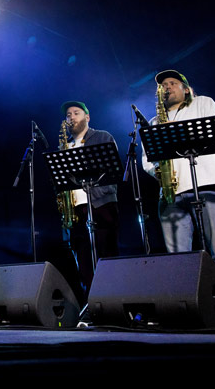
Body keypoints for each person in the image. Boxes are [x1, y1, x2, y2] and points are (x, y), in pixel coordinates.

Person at [141, 70, 215, 317]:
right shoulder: (155, 122)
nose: (167, 87)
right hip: (171, 194)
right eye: (163, 85)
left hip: (207, 186)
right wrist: (158, 171)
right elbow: (146, 159)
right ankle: (185, 310)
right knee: (178, 260)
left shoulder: (204, 103)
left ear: (186, 89)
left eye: (173, 83)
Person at [60, 101, 120, 304]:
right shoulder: (65, 145)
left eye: (76, 113)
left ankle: (113, 304)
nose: (71, 117)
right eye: (68, 115)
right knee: (84, 264)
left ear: (87, 117)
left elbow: (112, 173)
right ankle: (91, 306)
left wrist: (94, 192)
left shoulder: (102, 137)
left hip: (101, 206)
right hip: (76, 211)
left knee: (107, 259)